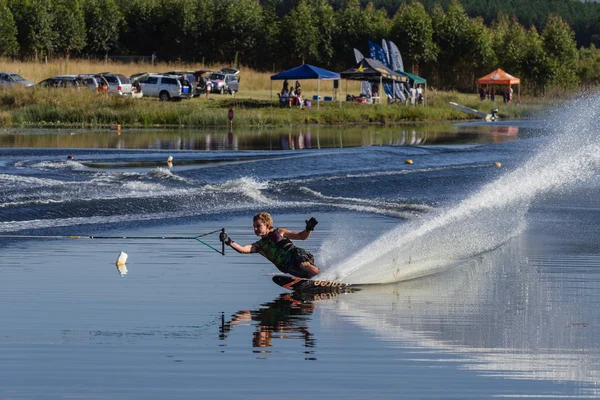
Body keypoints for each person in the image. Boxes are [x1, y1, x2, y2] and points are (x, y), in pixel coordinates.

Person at [220, 212, 320, 278]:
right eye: (254, 226)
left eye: (258, 226)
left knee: (303, 265)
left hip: (297, 255)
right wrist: (229, 241)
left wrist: (308, 228)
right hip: (288, 267)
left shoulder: (279, 232)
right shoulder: (259, 246)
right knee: (305, 276)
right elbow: (242, 249)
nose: (255, 229)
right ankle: (319, 283)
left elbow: (301, 236)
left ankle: (322, 277)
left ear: (267, 225)